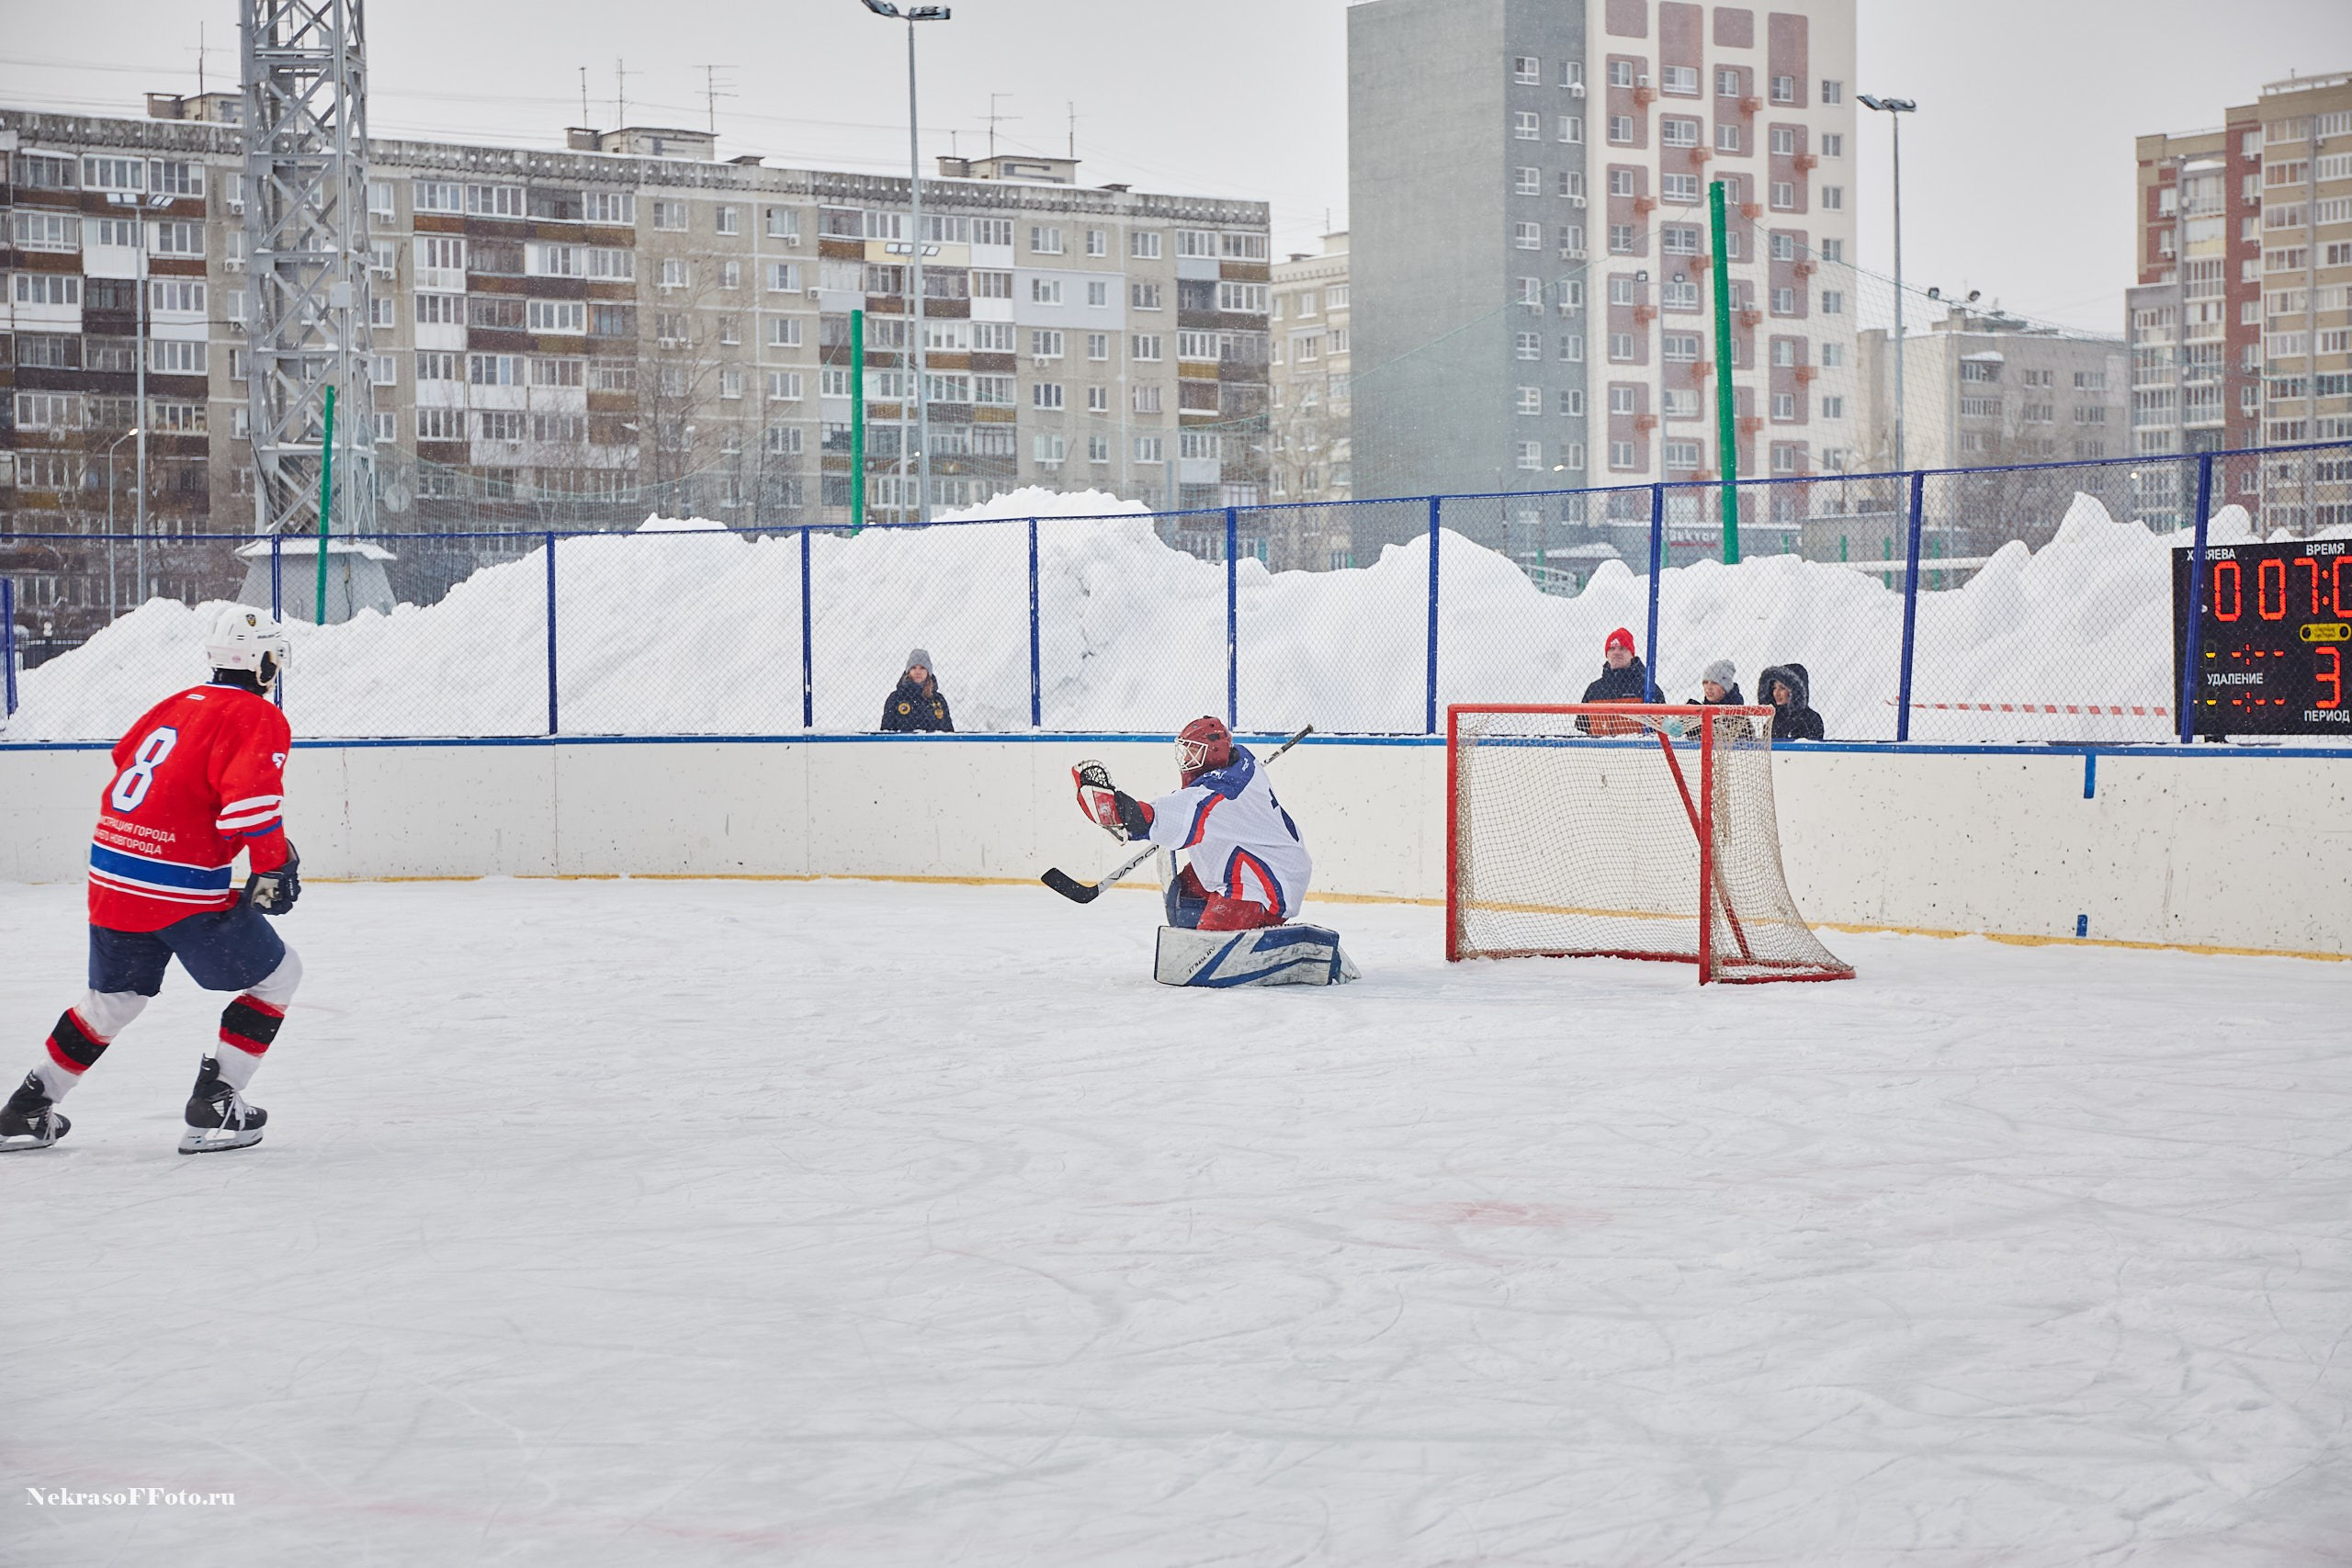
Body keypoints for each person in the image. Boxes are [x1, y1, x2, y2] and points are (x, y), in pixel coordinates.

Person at [1, 606, 304, 1155]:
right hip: (178, 889)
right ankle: (216, 1106)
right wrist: (274, 864)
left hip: (112, 878)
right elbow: (249, 808)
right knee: (279, 977)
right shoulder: (256, 716)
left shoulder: (172, 704)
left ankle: (26, 1109)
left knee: (112, 1002)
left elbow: (126, 762)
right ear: (263, 664)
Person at [1074, 716, 1311, 931]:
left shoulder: (1217, 795)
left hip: (1270, 878)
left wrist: (1109, 805)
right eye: (1185, 752)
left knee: (1204, 950)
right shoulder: (1240, 756)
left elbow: (1141, 819)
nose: (1186, 760)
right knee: (1184, 896)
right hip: (1269, 857)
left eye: (1193, 753)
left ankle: (1248, 929)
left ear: (1213, 754)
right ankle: (1234, 927)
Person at [1577, 626, 1652, 734]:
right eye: (1612, 649)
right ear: (1607, 655)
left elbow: (1662, 728)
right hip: (1597, 750)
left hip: (1637, 750)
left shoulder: (1647, 688)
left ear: (1632, 654)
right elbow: (1581, 729)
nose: (1616, 652)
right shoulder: (1594, 690)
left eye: (1622, 648)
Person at [879, 648, 953, 733]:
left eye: (922, 668)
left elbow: (949, 733)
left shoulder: (938, 700)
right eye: (914, 667)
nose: (918, 671)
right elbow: (886, 734)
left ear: (928, 672)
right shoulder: (896, 698)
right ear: (908, 671)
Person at [1758, 661, 1826, 741]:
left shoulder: (1811, 719)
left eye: (1782, 688)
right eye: (1774, 688)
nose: (1776, 693)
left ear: (1795, 691)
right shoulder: (1772, 721)